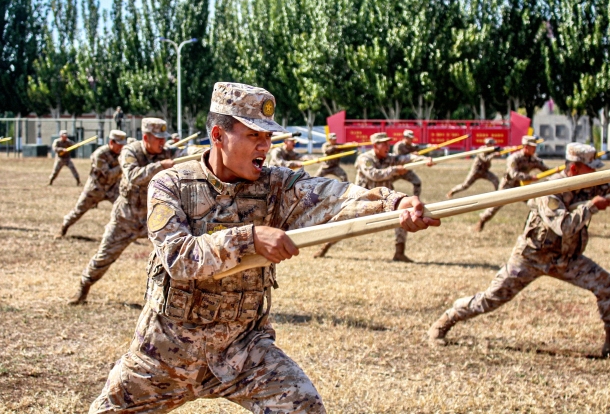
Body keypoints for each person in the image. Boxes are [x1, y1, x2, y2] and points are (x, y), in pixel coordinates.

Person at [88, 82, 440, 413]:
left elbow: (331, 196)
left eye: (267, 136)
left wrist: (393, 205)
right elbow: (179, 257)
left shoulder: (275, 185)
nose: (264, 146)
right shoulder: (171, 184)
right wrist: (250, 237)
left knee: (304, 406)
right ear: (218, 135)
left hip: (243, 352)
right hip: (163, 354)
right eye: (253, 135)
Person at [428, 143, 610, 357]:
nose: (596, 173)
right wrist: (591, 206)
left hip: (565, 259)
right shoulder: (550, 191)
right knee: (491, 299)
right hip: (531, 258)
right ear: (575, 169)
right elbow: (564, 226)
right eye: (592, 169)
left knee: (606, 286)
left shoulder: (589, 185)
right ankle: (445, 322)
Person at [68, 118, 173, 305]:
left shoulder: (166, 153)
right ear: (146, 137)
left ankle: (169, 299)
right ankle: (83, 288)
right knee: (104, 256)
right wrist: (160, 166)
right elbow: (133, 176)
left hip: (153, 219)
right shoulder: (130, 151)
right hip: (125, 217)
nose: (162, 142)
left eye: (164, 138)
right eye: (158, 138)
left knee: (173, 255)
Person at [314, 132, 432, 262]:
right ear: (375, 145)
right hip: (362, 200)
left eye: (388, 143)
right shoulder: (364, 159)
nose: (388, 146)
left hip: (385, 200)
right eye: (384, 144)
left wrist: (424, 159)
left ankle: (399, 253)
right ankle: (326, 246)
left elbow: (406, 157)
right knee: (346, 226)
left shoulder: (389, 158)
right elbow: (374, 175)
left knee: (402, 215)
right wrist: (394, 170)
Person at [57, 130, 128, 238]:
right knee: (78, 211)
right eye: (119, 145)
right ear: (111, 142)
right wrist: (124, 166)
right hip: (95, 189)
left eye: (123, 145)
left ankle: (125, 234)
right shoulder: (99, 154)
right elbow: (108, 174)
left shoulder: (123, 153)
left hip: (112, 188)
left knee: (125, 209)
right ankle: (63, 228)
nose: (121, 148)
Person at [475, 135, 549, 231]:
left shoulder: (533, 159)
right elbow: (513, 174)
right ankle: (482, 220)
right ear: (525, 147)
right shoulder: (514, 158)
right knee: (496, 205)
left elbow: (546, 170)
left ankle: (529, 228)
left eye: (535, 147)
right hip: (508, 185)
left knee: (534, 204)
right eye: (532, 147)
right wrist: (530, 177)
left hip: (521, 186)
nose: (535, 149)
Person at [392, 129, 427, 196]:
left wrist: (432, 146)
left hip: (406, 170)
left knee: (417, 182)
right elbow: (398, 159)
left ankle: (416, 199)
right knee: (386, 184)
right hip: (396, 169)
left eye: (411, 138)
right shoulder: (399, 146)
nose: (411, 140)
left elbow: (421, 147)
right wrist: (412, 154)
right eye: (409, 138)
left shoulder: (411, 146)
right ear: (404, 137)